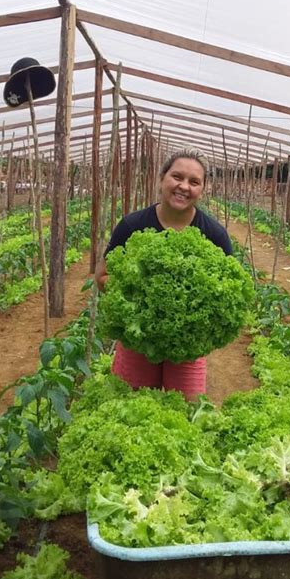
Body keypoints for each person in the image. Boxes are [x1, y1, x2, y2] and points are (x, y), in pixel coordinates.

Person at [95, 149, 232, 399]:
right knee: (132, 405)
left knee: (187, 408)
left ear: (203, 189)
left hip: (187, 346)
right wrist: (141, 293)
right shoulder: (132, 225)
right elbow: (102, 277)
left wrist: (192, 314)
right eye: (177, 177)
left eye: (194, 182)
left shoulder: (214, 234)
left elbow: (230, 293)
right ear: (162, 178)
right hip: (138, 340)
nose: (184, 186)